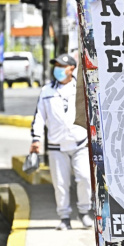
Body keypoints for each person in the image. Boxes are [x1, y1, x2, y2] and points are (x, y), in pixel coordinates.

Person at [30, 53, 93, 230]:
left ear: (71, 69)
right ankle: (64, 217)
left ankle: (84, 212)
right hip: (56, 146)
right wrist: (36, 139)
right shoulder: (47, 91)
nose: (57, 69)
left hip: (80, 143)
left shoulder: (81, 89)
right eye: (56, 65)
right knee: (60, 184)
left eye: (61, 66)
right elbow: (39, 117)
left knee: (85, 178)